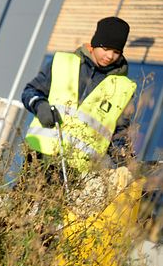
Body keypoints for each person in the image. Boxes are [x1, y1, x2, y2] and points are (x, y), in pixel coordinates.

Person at [22, 16, 138, 175]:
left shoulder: (123, 88)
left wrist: (126, 161)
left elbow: (119, 134)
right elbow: (30, 92)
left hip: (77, 171)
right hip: (38, 155)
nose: (110, 56)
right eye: (105, 48)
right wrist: (39, 105)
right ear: (94, 44)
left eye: (116, 52)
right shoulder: (62, 62)